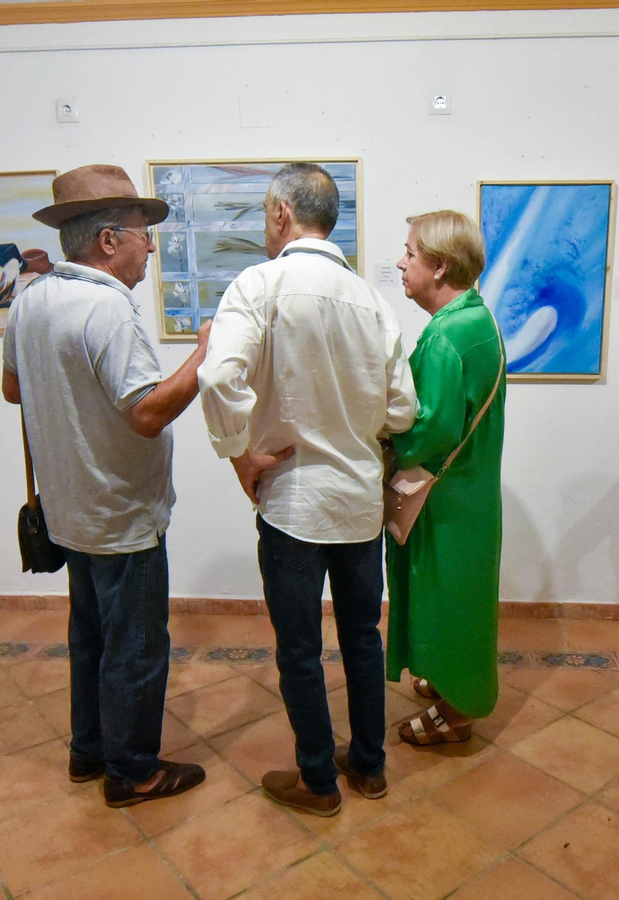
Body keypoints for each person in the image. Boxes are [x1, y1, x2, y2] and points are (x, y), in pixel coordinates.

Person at [199, 163, 417, 817]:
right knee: (361, 639)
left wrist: (240, 453)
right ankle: (370, 768)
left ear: (279, 214)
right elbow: (403, 409)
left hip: (293, 501)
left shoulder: (259, 286)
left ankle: (319, 782)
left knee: (299, 648)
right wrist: (355, 426)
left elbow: (217, 381)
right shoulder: (370, 300)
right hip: (357, 502)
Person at [1, 164, 209, 808]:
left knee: (89, 639)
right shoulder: (105, 309)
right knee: (136, 649)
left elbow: (14, 388)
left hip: (70, 511)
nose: (152, 246)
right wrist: (207, 353)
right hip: (120, 514)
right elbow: (147, 413)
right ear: (110, 240)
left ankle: (88, 751)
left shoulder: (32, 298)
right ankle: (133, 772)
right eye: (145, 234)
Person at [386, 211, 506, 746]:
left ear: (438, 266)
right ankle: (450, 682)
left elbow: (431, 430)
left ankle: (458, 712)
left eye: (409, 253)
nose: (400, 262)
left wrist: (386, 443)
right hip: (469, 492)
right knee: (458, 597)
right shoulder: (476, 320)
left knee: (450, 598)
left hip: (445, 497)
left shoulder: (447, 335)